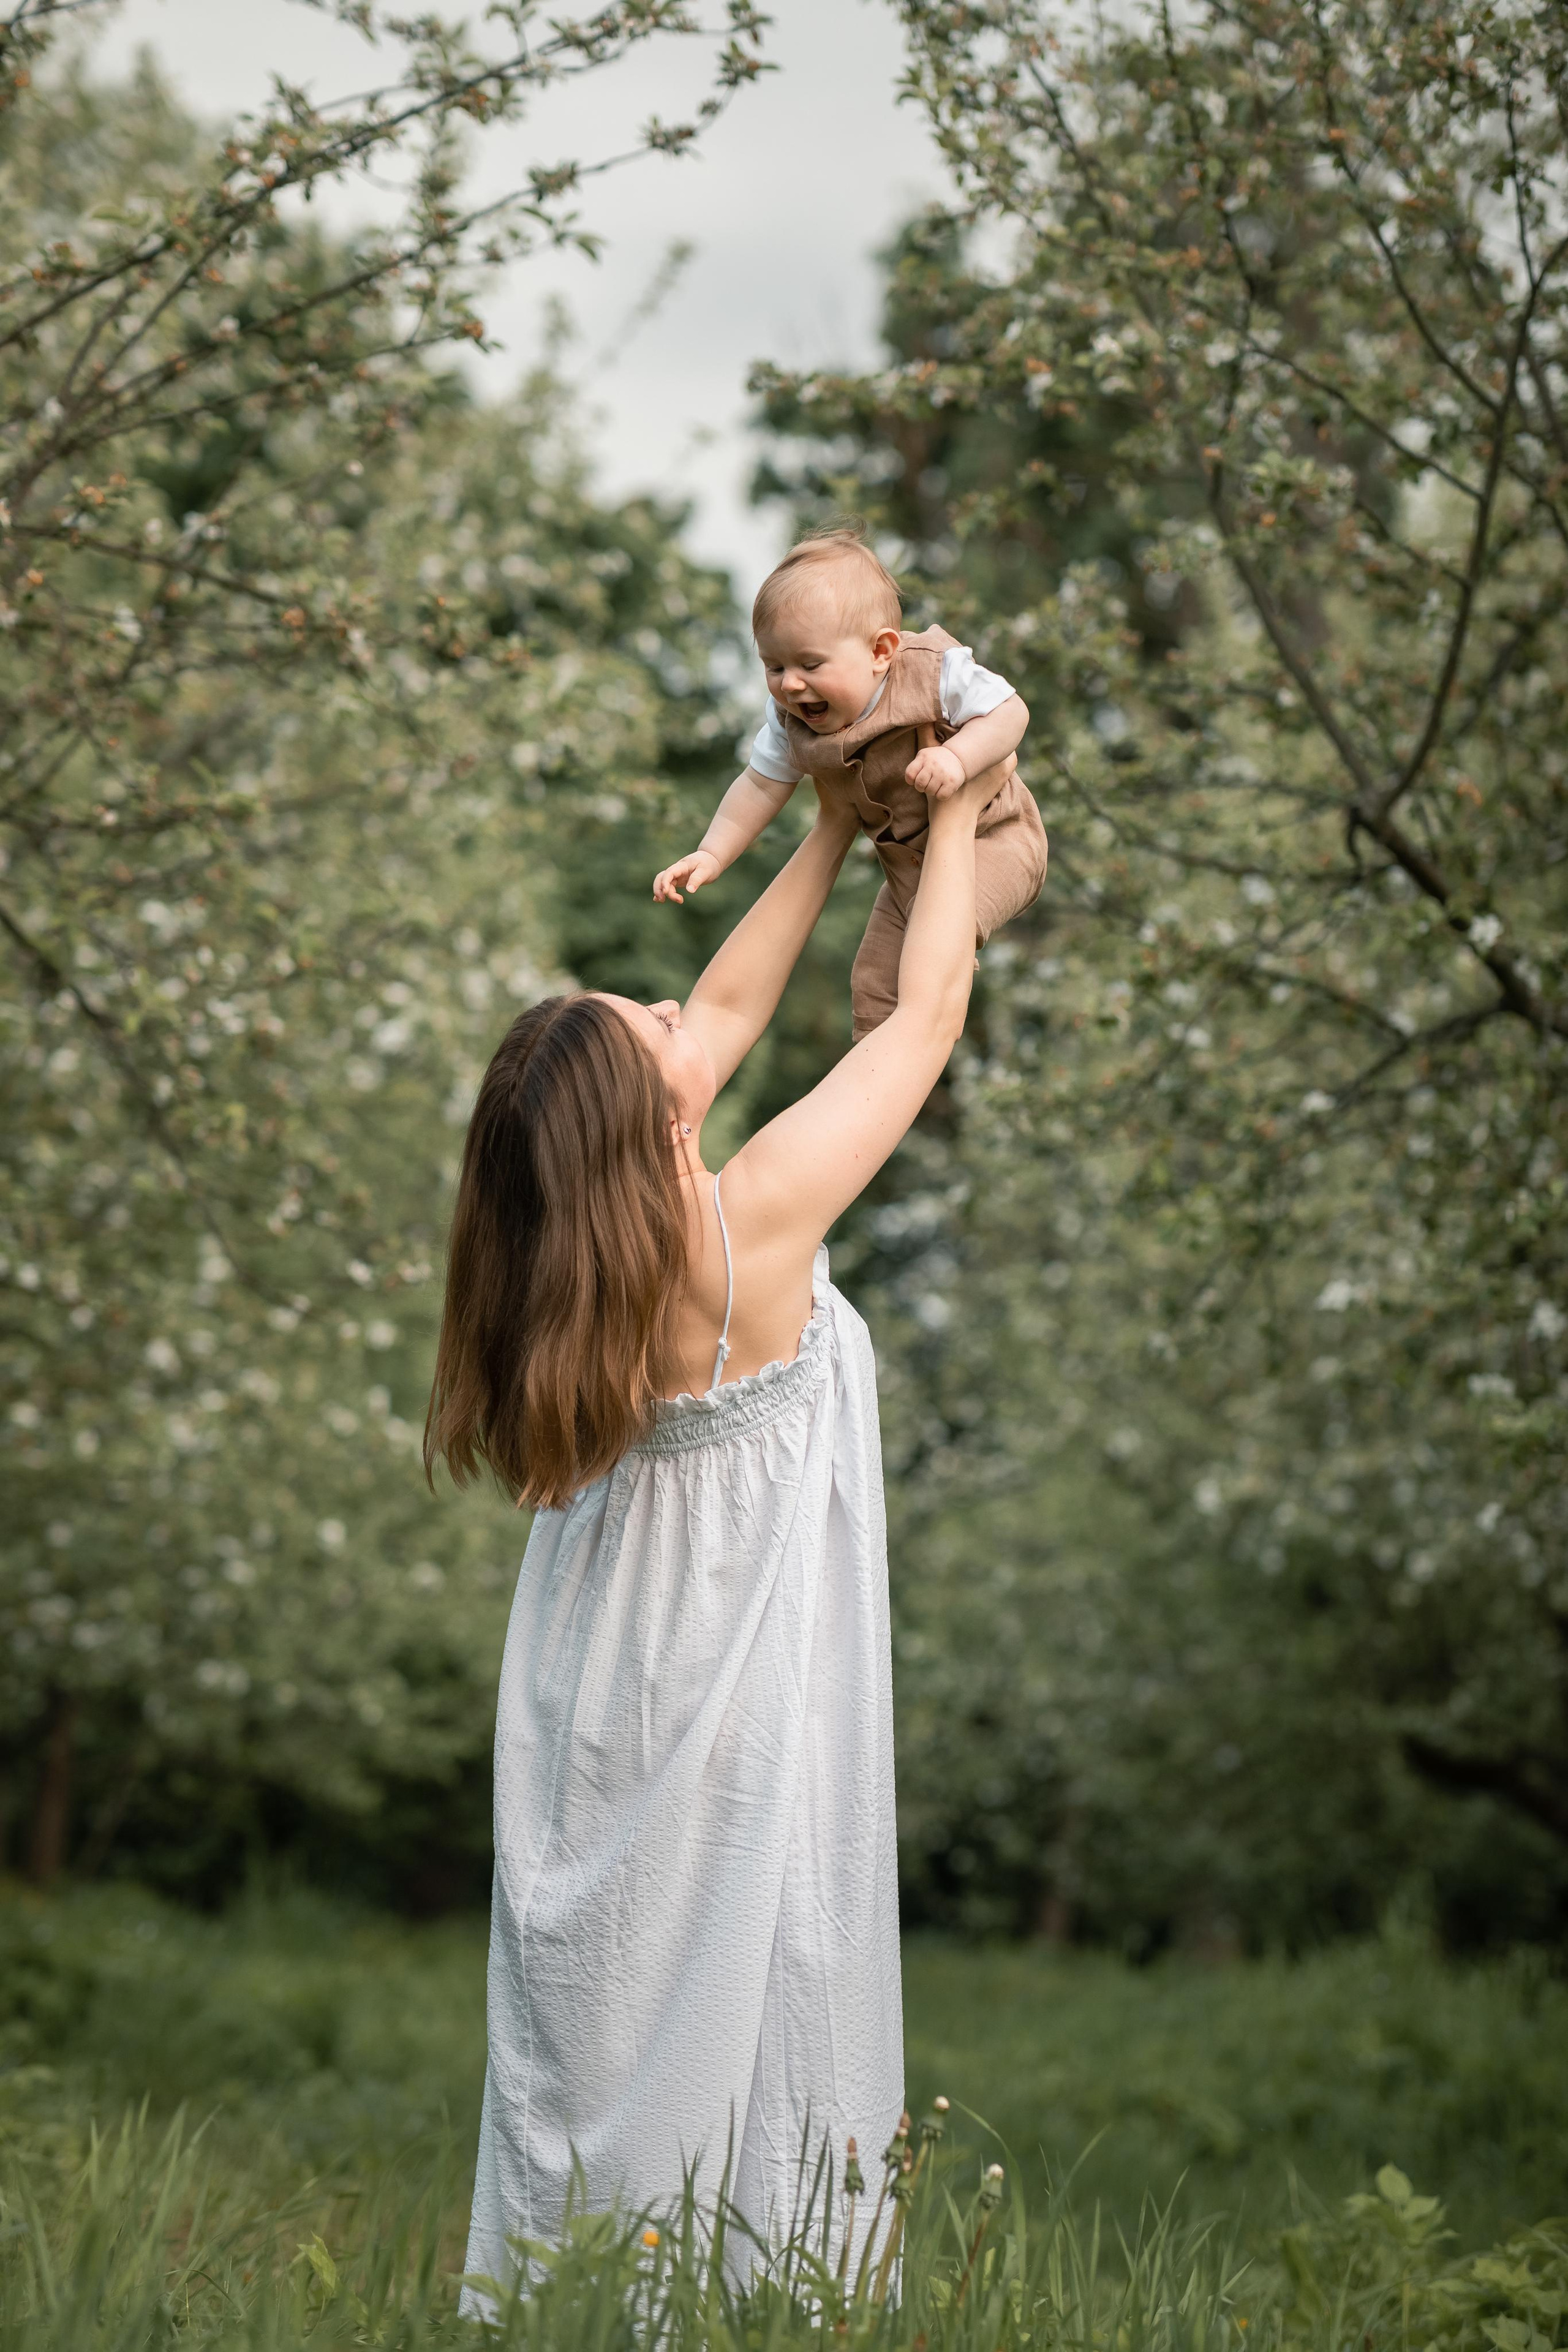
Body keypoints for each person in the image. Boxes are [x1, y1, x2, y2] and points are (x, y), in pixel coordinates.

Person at [426, 751, 1016, 2305]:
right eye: (660, 1023)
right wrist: (949, 808)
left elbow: (734, 1013)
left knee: (608, 1995)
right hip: (729, 1664)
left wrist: (825, 820)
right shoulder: (750, 1221)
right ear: (655, 1124)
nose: (690, 1008)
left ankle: (577, 2293)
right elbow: (924, 1020)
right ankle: (737, 2297)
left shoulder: (566, 1267)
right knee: (761, 1973)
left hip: (597, 1660)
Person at [652, 528, 1047, 1039]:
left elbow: (1010, 712)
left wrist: (957, 757)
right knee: (874, 979)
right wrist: (711, 853)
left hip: (997, 839)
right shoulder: (790, 720)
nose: (790, 684)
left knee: (931, 953)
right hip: (909, 871)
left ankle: (940, 984)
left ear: (881, 651)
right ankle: (874, 1080)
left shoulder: (932, 672)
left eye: (810, 664)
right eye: (774, 666)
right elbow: (758, 786)